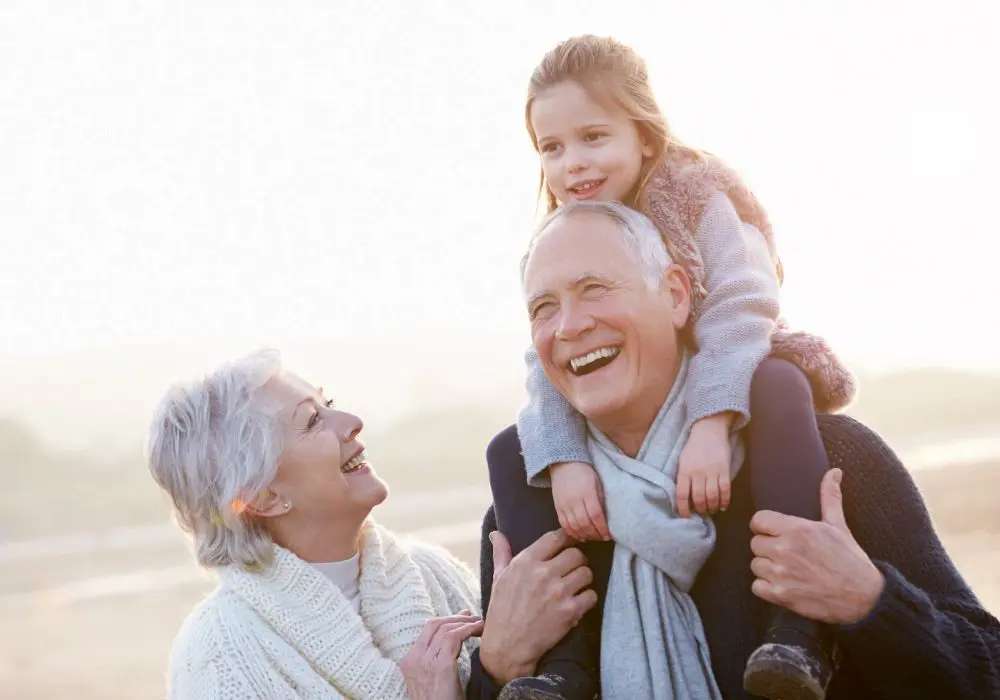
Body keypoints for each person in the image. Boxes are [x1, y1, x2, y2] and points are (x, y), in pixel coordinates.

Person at [469, 201, 1000, 700]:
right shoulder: (529, 516)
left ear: (677, 295)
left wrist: (870, 602)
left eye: (594, 288)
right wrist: (495, 667)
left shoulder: (829, 459)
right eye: (543, 307)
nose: (569, 325)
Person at [502, 34, 853, 700]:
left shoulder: (696, 193)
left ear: (644, 132)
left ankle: (802, 631)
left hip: (732, 365)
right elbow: (545, 353)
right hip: (631, 409)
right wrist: (565, 458)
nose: (572, 164)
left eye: (593, 137)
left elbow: (742, 304)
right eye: (551, 148)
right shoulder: (559, 237)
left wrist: (712, 422)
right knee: (510, 450)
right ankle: (563, 664)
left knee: (780, 383)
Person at [148, 350, 488, 699]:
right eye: (312, 420)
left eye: (330, 403)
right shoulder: (217, 658)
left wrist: (507, 663)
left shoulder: (434, 572)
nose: (352, 421)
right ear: (263, 496)